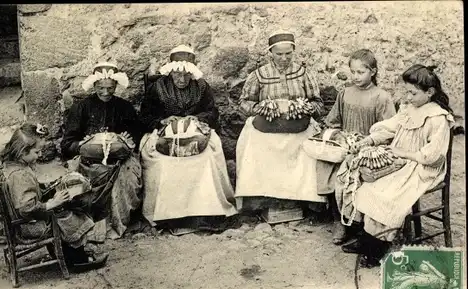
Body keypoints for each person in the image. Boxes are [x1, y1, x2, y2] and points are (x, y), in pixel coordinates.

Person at [335, 64, 454, 268]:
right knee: (368, 185)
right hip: (400, 161)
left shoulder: (437, 118)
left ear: (430, 92)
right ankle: (369, 238)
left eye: (413, 93)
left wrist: (403, 153)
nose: (408, 97)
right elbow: (390, 129)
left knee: (387, 195)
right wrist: (369, 141)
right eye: (407, 91)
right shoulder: (409, 109)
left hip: (422, 168)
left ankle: (377, 247)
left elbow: (433, 155)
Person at [139, 45, 237, 235]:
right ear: (171, 71)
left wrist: (199, 118)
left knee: (207, 156)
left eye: (186, 75)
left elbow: (213, 112)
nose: (181, 79)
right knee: (164, 161)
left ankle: (206, 213)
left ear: (192, 73)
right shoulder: (157, 88)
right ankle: (170, 216)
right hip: (163, 134)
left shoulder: (201, 86)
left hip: (196, 133)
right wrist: (162, 120)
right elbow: (144, 116)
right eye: (177, 74)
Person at [235, 30, 330, 220]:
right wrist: (262, 108)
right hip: (267, 126)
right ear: (270, 53)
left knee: (307, 145)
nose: (284, 58)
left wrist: (303, 107)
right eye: (279, 54)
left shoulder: (303, 74)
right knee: (255, 143)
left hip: (298, 125)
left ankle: (301, 199)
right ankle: (266, 200)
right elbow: (243, 103)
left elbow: (318, 103)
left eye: (288, 53)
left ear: (293, 51)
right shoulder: (259, 75)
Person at [0, 123, 108, 269]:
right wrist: (51, 203)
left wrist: (50, 188)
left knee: (61, 208)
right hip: (23, 228)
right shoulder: (20, 175)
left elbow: (25, 195)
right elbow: (26, 208)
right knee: (67, 216)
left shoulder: (12, 166)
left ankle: (63, 252)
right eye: (36, 152)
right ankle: (75, 259)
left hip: (16, 221)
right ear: (22, 152)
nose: (40, 155)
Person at [61, 62, 143, 239]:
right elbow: (67, 144)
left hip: (119, 162)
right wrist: (83, 145)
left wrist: (129, 141)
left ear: (116, 86)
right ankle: (89, 226)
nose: (106, 93)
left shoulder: (125, 107)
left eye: (110, 88)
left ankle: (118, 223)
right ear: (94, 86)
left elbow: (137, 136)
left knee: (128, 178)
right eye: (101, 88)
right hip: (89, 162)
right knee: (78, 182)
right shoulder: (81, 107)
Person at [322, 49, 396, 245]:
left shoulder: (381, 97)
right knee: (329, 170)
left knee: (355, 174)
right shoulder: (345, 93)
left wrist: (367, 142)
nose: (355, 76)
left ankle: (361, 226)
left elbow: (389, 130)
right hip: (347, 145)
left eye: (360, 72)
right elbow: (333, 122)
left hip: (370, 149)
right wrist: (339, 135)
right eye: (352, 72)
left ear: (373, 72)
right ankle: (342, 221)